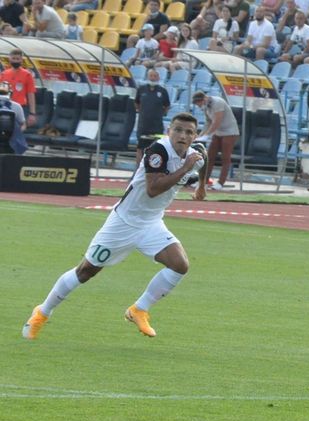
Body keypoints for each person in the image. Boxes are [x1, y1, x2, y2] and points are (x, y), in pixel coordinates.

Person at [21, 113, 207, 341]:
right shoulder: (158, 151)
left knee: (180, 265)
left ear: (194, 136)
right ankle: (42, 311)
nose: (182, 135)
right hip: (123, 223)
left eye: (188, 132)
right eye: (178, 130)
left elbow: (202, 161)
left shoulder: (194, 154)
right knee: (86, 271)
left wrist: (201, 187)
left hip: (151, 223)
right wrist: (186, 167)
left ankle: (139, 309)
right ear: (169, 130)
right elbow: (153, 189)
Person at [192, 90, 240, 191]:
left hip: (229, 132)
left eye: (199, 103)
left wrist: (207, 135)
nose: (199, 106)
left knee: (225, 158)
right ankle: (203, 182)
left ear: (204, 99)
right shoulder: (206, 107)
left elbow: (217, 122)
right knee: (209, 157)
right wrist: (200, 136)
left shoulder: (218, 102)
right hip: (218, 133)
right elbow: (208, 122)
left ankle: (220, 183)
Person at [134, 68, 171, 167]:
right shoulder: (141, 89)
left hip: (157, 125)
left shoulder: (162, 91)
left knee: (156, 147)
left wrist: (160, 114)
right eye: (151, 75)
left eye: (155, 76)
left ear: (158, 77)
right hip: (143, 125)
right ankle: (138, 170)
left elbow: (167, 105)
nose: (153, 78)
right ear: (148, 76)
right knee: (140, 147)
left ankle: (152, 168)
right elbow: (136, 103)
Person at [0, 48, 36, 129]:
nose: (15, 61)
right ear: (9, 59)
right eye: (13, 58)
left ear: (21, 60)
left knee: (19, 130)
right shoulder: (4, 74)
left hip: (21, 108)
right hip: (6, 107)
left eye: (18, 59)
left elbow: (31, 94)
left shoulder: (27, 75)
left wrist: (32, 113)